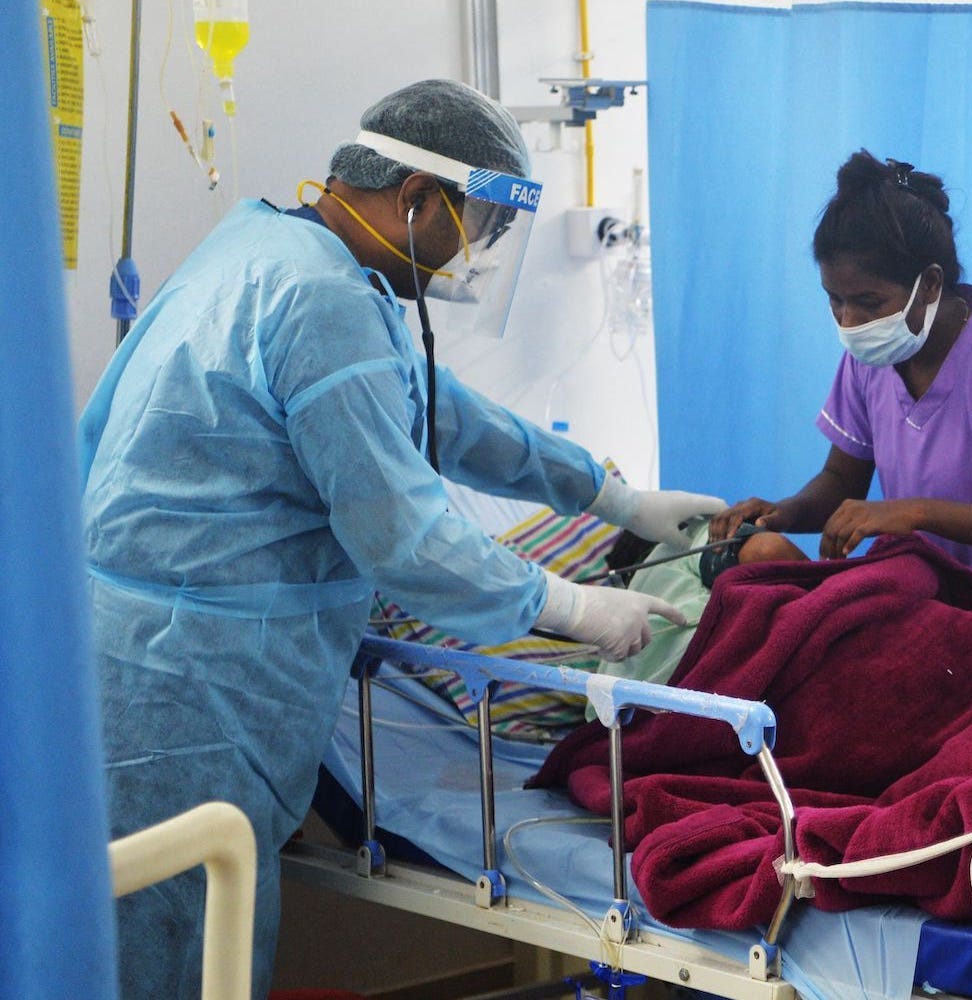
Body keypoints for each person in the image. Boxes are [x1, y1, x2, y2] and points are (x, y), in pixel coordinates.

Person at [78, 79, 722, 997]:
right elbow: (406, 537)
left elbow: (438, 410)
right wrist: (570, 606)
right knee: (178, 949)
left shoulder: (277, 247)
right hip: (192, 685)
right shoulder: (322, 300)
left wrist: (613, 497)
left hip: (163, 654)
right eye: (481, 227)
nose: (484, 255)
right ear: (418, 200)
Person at [710, 151, 972, 636]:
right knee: (763, 561)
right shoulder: (871, 360)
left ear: (930, 286)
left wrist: (916, 512)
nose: (848, 322)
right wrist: (784, 513)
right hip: (940, 616)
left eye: (868, 302)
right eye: (834, 300)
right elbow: (841, 477)